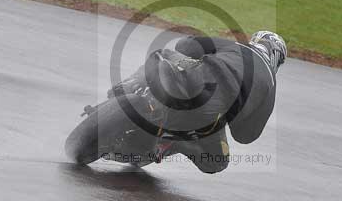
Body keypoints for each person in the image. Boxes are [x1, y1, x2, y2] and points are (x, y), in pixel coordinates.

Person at [108, 30, 287, 173]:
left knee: (163, 54)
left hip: (192, 77)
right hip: (211, 117)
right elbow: (245, 136)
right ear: (277, 58)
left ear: (256, 40)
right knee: (217, 163)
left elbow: (185, 45)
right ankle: (174, 143)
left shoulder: (236, 46)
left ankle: (129, 84)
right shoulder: (270, 87)